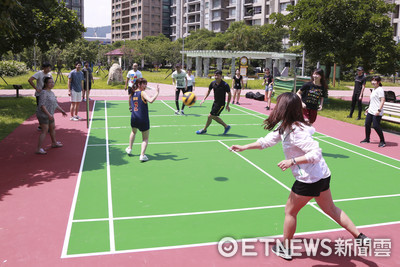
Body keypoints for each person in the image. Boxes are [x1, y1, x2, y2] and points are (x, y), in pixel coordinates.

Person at [229, 92, 370, 261]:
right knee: (331, 209)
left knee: (290, 211)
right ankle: (360, 237)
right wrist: (244, 147)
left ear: (284, 109)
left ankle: (286, 249)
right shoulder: (286, 126)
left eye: (278, 104)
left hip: (308, 179)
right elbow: (266, 141)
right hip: (322, 175)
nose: (275, 106)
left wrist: (292, 161)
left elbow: (316, 152)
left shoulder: (296, 131)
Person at [125, 78, 160, 162]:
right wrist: (157, 93)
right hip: (143, 118)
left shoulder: (132, 92)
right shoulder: (142, 93)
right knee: (145, 139)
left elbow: (129, 100)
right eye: (143, 84)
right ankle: (142, 155)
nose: (145, 86)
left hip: (134, 117)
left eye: (145, 84)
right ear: (139, 85)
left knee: (133, 132)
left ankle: (130, 148)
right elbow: (151, 100)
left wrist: (130, 107)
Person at [36, 77, 67, 154]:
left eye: (52, 82)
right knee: (44, 131)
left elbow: (55, 104)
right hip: (43, 114)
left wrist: (62, 111)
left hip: (50, 114)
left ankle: (54, 143)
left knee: (52, 128)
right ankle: (38, 149)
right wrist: (48, 114)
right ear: (46, 84)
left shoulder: (52, 93)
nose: (52, 84)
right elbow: (42, 106)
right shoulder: (43, 93)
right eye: (50, 82)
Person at [196, 70, 232, 135]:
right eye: (215, 75)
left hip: (221, 104)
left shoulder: (225, 85)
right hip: (215, 103)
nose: (216, 77)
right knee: (214, 117)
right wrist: (204, 99)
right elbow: (208, 91)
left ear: (221, 76)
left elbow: (229, 94)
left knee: (210, 116)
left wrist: (227, 105)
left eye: (217, 75)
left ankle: (204, 130)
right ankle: (226, 126)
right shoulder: (213, 83)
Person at [360, 76, 386, 147]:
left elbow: (382, 100)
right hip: (371, 111)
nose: (373, 82)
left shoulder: (380, 89)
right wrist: (368, 108)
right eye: (372, 81)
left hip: (377, 112)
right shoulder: (374, 89)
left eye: (375, 81)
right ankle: (367, 138)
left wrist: (379, 110)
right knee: (367, 124)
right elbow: (373, 101)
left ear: (379, 82)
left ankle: (382, 141)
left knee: (376, 126)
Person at [28, 62, 53, 130]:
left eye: (49, 68)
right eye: (47, 68)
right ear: (43, 68)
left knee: (48, 109)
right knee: (41, 110)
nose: (48, 69)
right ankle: (42, 125)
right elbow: (30, 80)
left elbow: (51, 83)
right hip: (40, 95)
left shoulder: (49, 74)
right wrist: (36, 88)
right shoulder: (39, 73)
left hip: (47, 94)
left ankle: (45, 125)